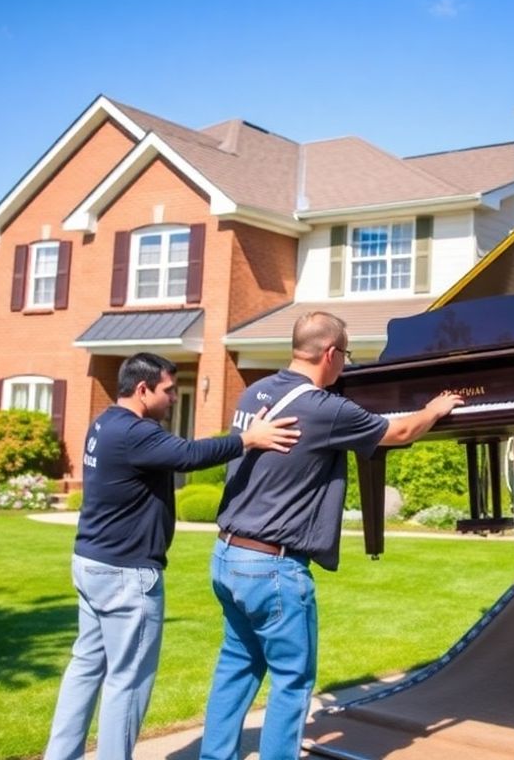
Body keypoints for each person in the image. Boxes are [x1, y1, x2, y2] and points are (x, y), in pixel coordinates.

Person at [198, 311, 462, 760]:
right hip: (273, 567)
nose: (345, 366)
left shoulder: (254, 390)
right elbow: (398, 432)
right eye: (347, 357)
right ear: (331, 353)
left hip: (227, 557)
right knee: (292, 678)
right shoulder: (322, 409)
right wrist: (435, 408)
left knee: (237, 666)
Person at [45, 352, 302, 760]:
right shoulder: (136, 433)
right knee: (127, 682)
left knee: (86, 666)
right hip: (126, 575)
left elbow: (179, 452)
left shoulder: (104, 423)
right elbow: (190, 455)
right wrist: (248, 439)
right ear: (143, 389)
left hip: (91, 563)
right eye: (167, 391)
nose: (172, 398)